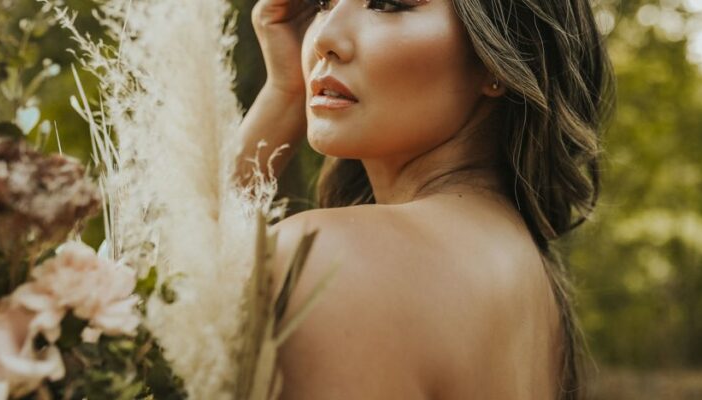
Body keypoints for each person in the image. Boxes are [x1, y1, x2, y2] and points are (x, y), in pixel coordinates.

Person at [236, 0, 614, 397]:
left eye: (388, 4)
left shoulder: (326, 260)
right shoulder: (529, 278)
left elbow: (172, 321)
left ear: (495, 59)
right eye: (324, 3)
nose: (325, 38)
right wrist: (286, 91)